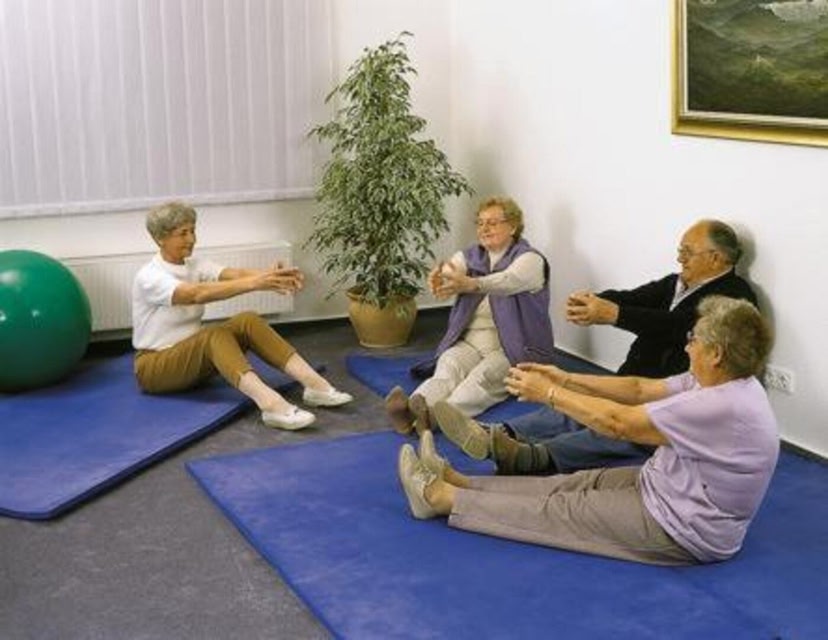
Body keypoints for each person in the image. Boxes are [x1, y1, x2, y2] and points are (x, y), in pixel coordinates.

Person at [398, 296, 778, 566]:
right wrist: (564, 378)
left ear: (716, 353)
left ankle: (440, 498)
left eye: (694, 339)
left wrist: (549, 393)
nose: (687, 345)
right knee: (572, 485)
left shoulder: (722, 404)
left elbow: (618, 423)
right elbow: (639, 389)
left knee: (562, 510)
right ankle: (461, 482)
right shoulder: (718, 380)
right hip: (664, 486)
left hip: (683, 529)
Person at [436, 219, 759, 474]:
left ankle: (531, 457)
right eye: (680, 250)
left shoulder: (734, 297)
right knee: (578, 405)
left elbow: (675, 326)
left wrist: (613, 314)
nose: (680, 258)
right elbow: (635, 298)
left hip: (667, 397)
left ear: (716, 258)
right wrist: (595, 301)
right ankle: (498, 434)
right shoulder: (677, 283)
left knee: (608, 426)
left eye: (687, 252)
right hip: (635, 383)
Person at [132, 201, 352, 430]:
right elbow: (195, 294)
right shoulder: (150, 277)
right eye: (183, 233)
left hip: (190, 362)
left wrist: (273, 276)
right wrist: (257, 283)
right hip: (154, 370)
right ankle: (272, 406)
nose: (192, 239)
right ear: (160, 238)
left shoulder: (194, 264)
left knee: (247, 320)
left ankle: (315, 386)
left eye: (193, 231)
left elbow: (234, 274)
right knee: (213, 335)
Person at [384, 196, 555, 435]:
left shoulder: (530, 260)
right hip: (471, 341)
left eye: (492, 223)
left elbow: (506, 281)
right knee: (448, 368)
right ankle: (410, 409)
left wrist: (471, 283)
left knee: (482, 378)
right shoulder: (472, 256)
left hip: (514, 348)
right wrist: (440, 277)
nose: (484, 229)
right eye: (480, 223)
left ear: (513, 227)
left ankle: (436, 418)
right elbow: (452, 269)